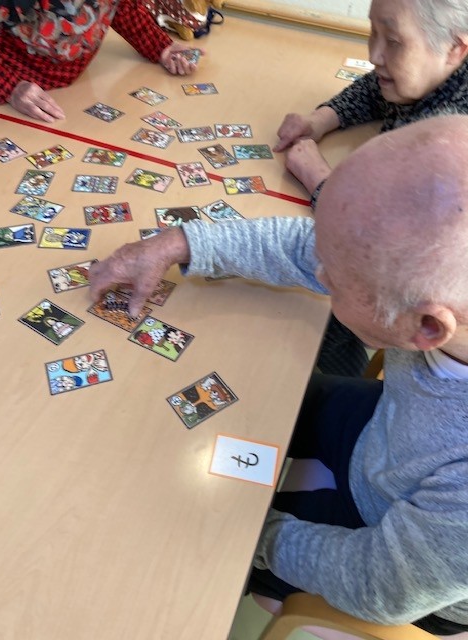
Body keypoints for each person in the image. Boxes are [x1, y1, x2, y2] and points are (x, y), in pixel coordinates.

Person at [89, 114, 468, 634]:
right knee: (243, 399)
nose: (317, 271)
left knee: (173, 533)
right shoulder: (440, 290)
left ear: (426, 327)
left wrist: (258, 535)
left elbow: (381, 586)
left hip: (390, 552)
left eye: (334, 280)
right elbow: (308, 245)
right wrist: (177, 243)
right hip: (385, 434)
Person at [277, 0, 468, 377]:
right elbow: (375, 88)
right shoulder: (431, 73)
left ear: (454, 49)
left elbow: (374, 238)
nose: (374, 55)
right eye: (372, 32)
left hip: (402, 313)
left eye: (393, 41)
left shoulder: (449, 145)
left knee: (317, 316)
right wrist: (319, 120)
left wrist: (317, 177)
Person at [0, 0, 203, 123]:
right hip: (12, 95)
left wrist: (160, 46)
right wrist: (7, 84)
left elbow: (120, 5)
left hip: (75, 95)